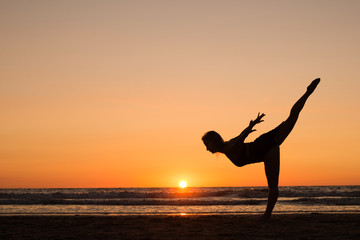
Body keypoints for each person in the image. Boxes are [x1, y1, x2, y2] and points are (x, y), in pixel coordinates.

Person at [202, 78, 320, 220]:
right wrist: (251, 125)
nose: (207, 149)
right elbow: (239, 137)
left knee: (273, 186)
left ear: (214, 142)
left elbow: (239, 140)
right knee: (292, 118)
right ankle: (267, 215)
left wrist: (248, 130)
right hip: (264, 147)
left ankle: (308, 93)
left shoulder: (228, 148)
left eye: (207, 144)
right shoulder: (228, 146)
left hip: (266, 146)